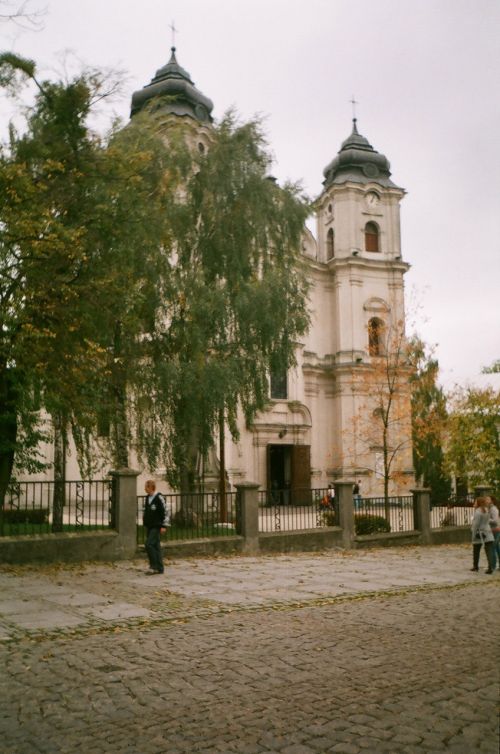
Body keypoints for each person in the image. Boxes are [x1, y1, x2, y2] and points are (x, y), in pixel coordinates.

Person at [143, 480, 168, 575]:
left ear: (151, 487)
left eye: (146, 487)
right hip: (150, 525)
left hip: (156, 526)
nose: (145, 489)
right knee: (156, 546)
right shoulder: (148, 497)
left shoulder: (159, 498)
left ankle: (153, 566)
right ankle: (160, 567)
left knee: (149, 544)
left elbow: (165, 512)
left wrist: (163, 526)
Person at [470, 497, 495, 574]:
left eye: (475, 502)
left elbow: (475, 525)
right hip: (488, 532)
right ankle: (491, 567)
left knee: (476, 550)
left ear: (478, 503)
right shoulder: (486, 510)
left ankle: (475, 566)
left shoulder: (477, 512)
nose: (474, 504)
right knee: (489, 551)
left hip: (479, 534)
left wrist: (473, 535)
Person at [487, 495, 500, 571]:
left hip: (495, 530)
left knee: (493, 547)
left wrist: (487, 519)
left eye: (488, 499)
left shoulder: (493, 509)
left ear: (491, 500)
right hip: (494, 529)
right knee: (497, 548)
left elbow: (495, 520)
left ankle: (493, 565)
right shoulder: (490, 508)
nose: (486, 500)